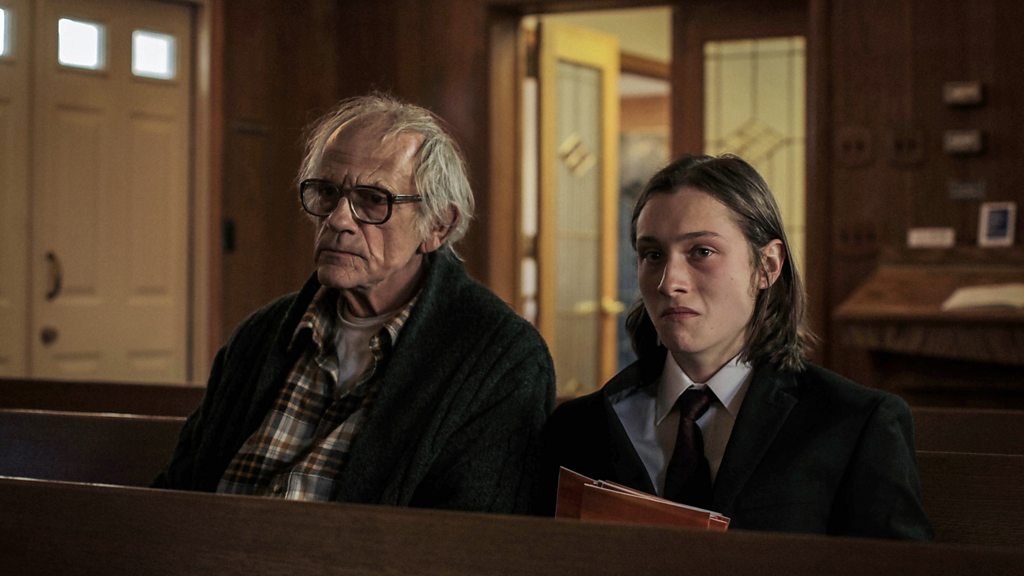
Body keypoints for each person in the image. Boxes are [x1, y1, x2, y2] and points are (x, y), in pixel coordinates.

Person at [154, 93, 555, 514]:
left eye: (374, 199)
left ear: (437, 226)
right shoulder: (260, 335)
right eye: (327, 192)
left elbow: (470, 540)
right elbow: (176, 491)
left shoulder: (501, 360)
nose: (338, 219)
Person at [537, 154, 932, 539]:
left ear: (767, 265)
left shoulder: (854, 424)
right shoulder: (577, 429)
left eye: (702, 252)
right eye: (652, 255)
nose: (669, 282)